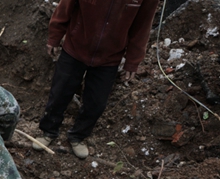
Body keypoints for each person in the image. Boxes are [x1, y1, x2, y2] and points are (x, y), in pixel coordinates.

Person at [34, 0, 159, 158]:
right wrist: (55, 36)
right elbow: (66, 5)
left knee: (96, 103)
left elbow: (143, 25)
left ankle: (78, 136)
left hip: (109, 57)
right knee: (60, 92)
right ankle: (48, 131)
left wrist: (133, 61)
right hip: (75, 46)